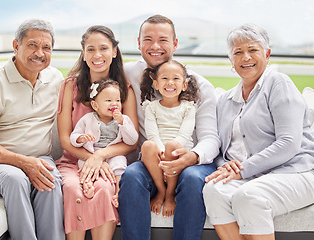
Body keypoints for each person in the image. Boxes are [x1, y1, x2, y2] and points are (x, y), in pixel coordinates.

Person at [203, 23, 314, 240]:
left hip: (296, 171)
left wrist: (241, 169)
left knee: (250, 195)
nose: (246, 57)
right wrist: (225, 166)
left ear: (267, 54)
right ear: (231, 61)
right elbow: (220, 148)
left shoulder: (278, 83)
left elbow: (289, 143)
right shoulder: (225, 100)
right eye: (238, 52)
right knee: (214, 190)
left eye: (252, 50)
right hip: (252, 175)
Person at [118, 14, 220, 240]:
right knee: (132, 175)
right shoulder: (127, 74)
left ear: (175, 44)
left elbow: (211, 138)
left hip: (189, 160)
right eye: (148, 39)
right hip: (151, 159)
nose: (155, 46)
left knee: (194, 180)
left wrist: (192, 157)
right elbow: (94, 74)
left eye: (163, 40)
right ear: (138, 43)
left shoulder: (200, 86)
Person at [0, 19, 65, 240]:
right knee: (16, 179)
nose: (39, 53)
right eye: (32, 45)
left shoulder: (55, 78)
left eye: (46, 47)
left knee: (50, 180)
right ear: (16, 45)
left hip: (40, 157)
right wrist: (23, 163)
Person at [55, 25, 138, 240]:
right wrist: (91, 158)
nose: (97, 55)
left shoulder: (124, 90)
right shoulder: (70, 86)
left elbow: (131, 142)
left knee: (102, 188)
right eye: (90, 49)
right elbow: (65, 138)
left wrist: (100, 156)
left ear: (114, 51)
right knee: (73, 189)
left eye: (103, 48)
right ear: (83, 53)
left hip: (109, 163)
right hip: (74, 162)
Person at [140, 60, 199, 218]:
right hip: (157, 154)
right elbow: (152, 134)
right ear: (156, 84)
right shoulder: (151, 108)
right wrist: (161, 152)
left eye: (176, 79)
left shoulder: (188, 108)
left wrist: (168, 154)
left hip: (178, 152)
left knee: (173, 144)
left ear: (184, 85)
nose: (170, 83)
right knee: (147, 145)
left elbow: (184, 135)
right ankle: (161, 190)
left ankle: (170, 194)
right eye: (165, 78)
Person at [70, 79, 138, 206]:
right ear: (95, 105)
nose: (114, 104)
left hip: (112, 154)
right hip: (92, 153)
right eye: (108, 101)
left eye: (117, 100)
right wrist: (81, 138)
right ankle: (87, 184)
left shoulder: (124, 120)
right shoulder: (87, 119)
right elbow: (73, 137)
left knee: (120, 163)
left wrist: (122, 123)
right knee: (84, 163)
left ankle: (118, 191)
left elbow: (132, 140)